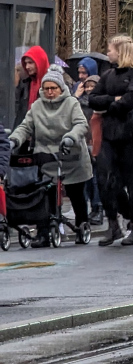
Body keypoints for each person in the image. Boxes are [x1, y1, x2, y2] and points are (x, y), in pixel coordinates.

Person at [9, 68, 93, 243]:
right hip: (47, 156)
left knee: (76, 195)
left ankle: (81, 225)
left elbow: (81, 124)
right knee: (46, 196)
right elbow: (26, 126)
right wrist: (14, 140)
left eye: (53, 88)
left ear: (61, 88)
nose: (49, 92)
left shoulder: (71, 103)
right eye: (46, 88)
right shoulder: (37, 106)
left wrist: (70, 137)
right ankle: (43, 232)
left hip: (71, 154)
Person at [87, 34, 133, 246]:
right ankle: (113, 224)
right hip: (109, 136)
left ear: (121, 52)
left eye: (110, 50)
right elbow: (93, 98)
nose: (108, 53)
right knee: (105, 181)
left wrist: (111, 105)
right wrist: (113, 100)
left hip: (131, 136)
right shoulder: (107, 75)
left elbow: (131, 100)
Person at [74, 70, 104, 225]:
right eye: (87, 86)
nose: (89, 89)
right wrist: (76, 95)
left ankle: (98, 208)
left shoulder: (100, 103)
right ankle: (90, 208)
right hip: (83, 144)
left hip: (96, 143)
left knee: (96, 179)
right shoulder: (79, 103)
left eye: (93, 86)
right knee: (87, 178)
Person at [15, 46, 50, 121]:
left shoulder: (52, 85)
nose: (27, 67)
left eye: (30, 63)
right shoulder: (25, 84)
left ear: (40, 62)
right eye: (25, 63)